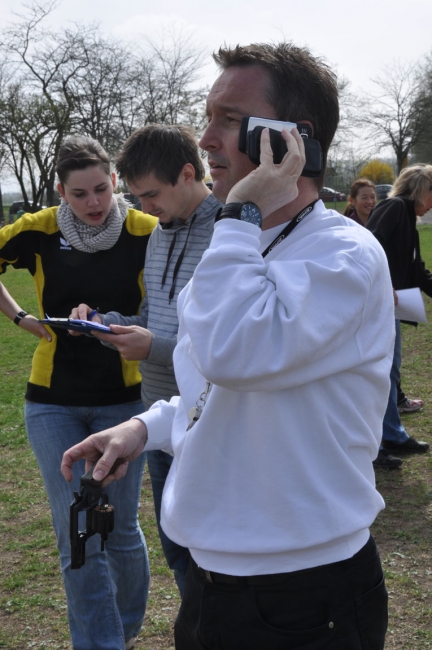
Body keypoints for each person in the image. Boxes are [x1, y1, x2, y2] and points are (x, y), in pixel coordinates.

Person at [62, 43, 394, 650]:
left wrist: (239, 212)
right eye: (207, 116)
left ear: (291, 142)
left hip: (303, 591)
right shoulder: (243, 249)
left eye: (230, 120)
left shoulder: (342, 253)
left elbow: (235, 355)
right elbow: (209, 386)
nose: (206, 139)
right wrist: (145, 428)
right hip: (216, 580)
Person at [0, 135, 158, 650]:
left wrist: (118, 327)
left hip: (125, 400)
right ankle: (102, 643)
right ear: (61, 194)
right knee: (78, 528)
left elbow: (169, 308)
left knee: (120, 528)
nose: (93, 203)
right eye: (79, 194)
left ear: (115, 182)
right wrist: (21, 316)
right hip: (52, 400)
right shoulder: (38, 229)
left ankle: (126, 627)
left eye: (101, 189)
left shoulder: (145, 231)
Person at [71, 124, 221, 595]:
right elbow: (154, 317)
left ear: (188, 173)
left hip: (209, 417)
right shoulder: (159, 234)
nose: (145, 207)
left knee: (211, 552)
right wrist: (107, 324)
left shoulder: (230, 232)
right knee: (176, 546)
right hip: (156, 412)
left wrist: (151, 345)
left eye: (151, 194)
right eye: (135, 197)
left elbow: (226, 345)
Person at [367, 164, 432, 469]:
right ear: (422, 189)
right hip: (376, 304)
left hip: (390, 306)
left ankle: (392, 434)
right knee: (379, 374)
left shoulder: (409, 217)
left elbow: (417, 270)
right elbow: (369, 245)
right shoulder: (394, 207)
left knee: (390, 372)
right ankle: (373, 445)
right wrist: (384, 284)